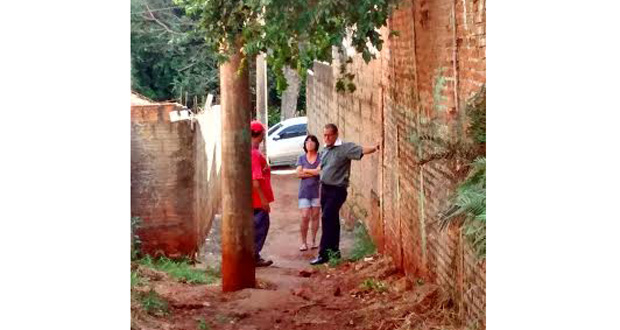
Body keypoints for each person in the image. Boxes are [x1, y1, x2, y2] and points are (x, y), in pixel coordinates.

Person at [307, 123, 380, 265]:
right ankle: (334, 251)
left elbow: (361, 150)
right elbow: (322, 168)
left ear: (335, 135)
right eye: (325, 135)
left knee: (327, 217)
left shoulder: (345, 148)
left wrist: (376, 147)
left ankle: (324, 254)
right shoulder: (326, 149)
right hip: (325, 189)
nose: (327, 138)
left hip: (337, 190)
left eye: (329, 135)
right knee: (331, 220)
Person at [250, 120, 275, 267]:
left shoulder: (252, 152)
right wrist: (263, 200)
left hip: (255, 200)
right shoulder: (254, 154)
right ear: (259, 135)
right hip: (257, 201)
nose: (264, 137)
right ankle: (254, 256)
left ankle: (254, 255)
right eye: (263, 134)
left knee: (257, 228)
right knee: (260, 228)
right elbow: (255, 181)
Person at [295, 135, 322, 252]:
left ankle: (314, 241)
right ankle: (303, 242)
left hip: (317, 191)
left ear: (316, 144)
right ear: (305, 145)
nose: (309, 143)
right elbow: (298, 174)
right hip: (304, 192)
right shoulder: (301, 158)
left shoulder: (320, 157)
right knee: (305, 216)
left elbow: (319, 171)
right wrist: (313, 172)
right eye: (307, 142)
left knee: (315, 216)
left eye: (312, 142)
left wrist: (305, 170)